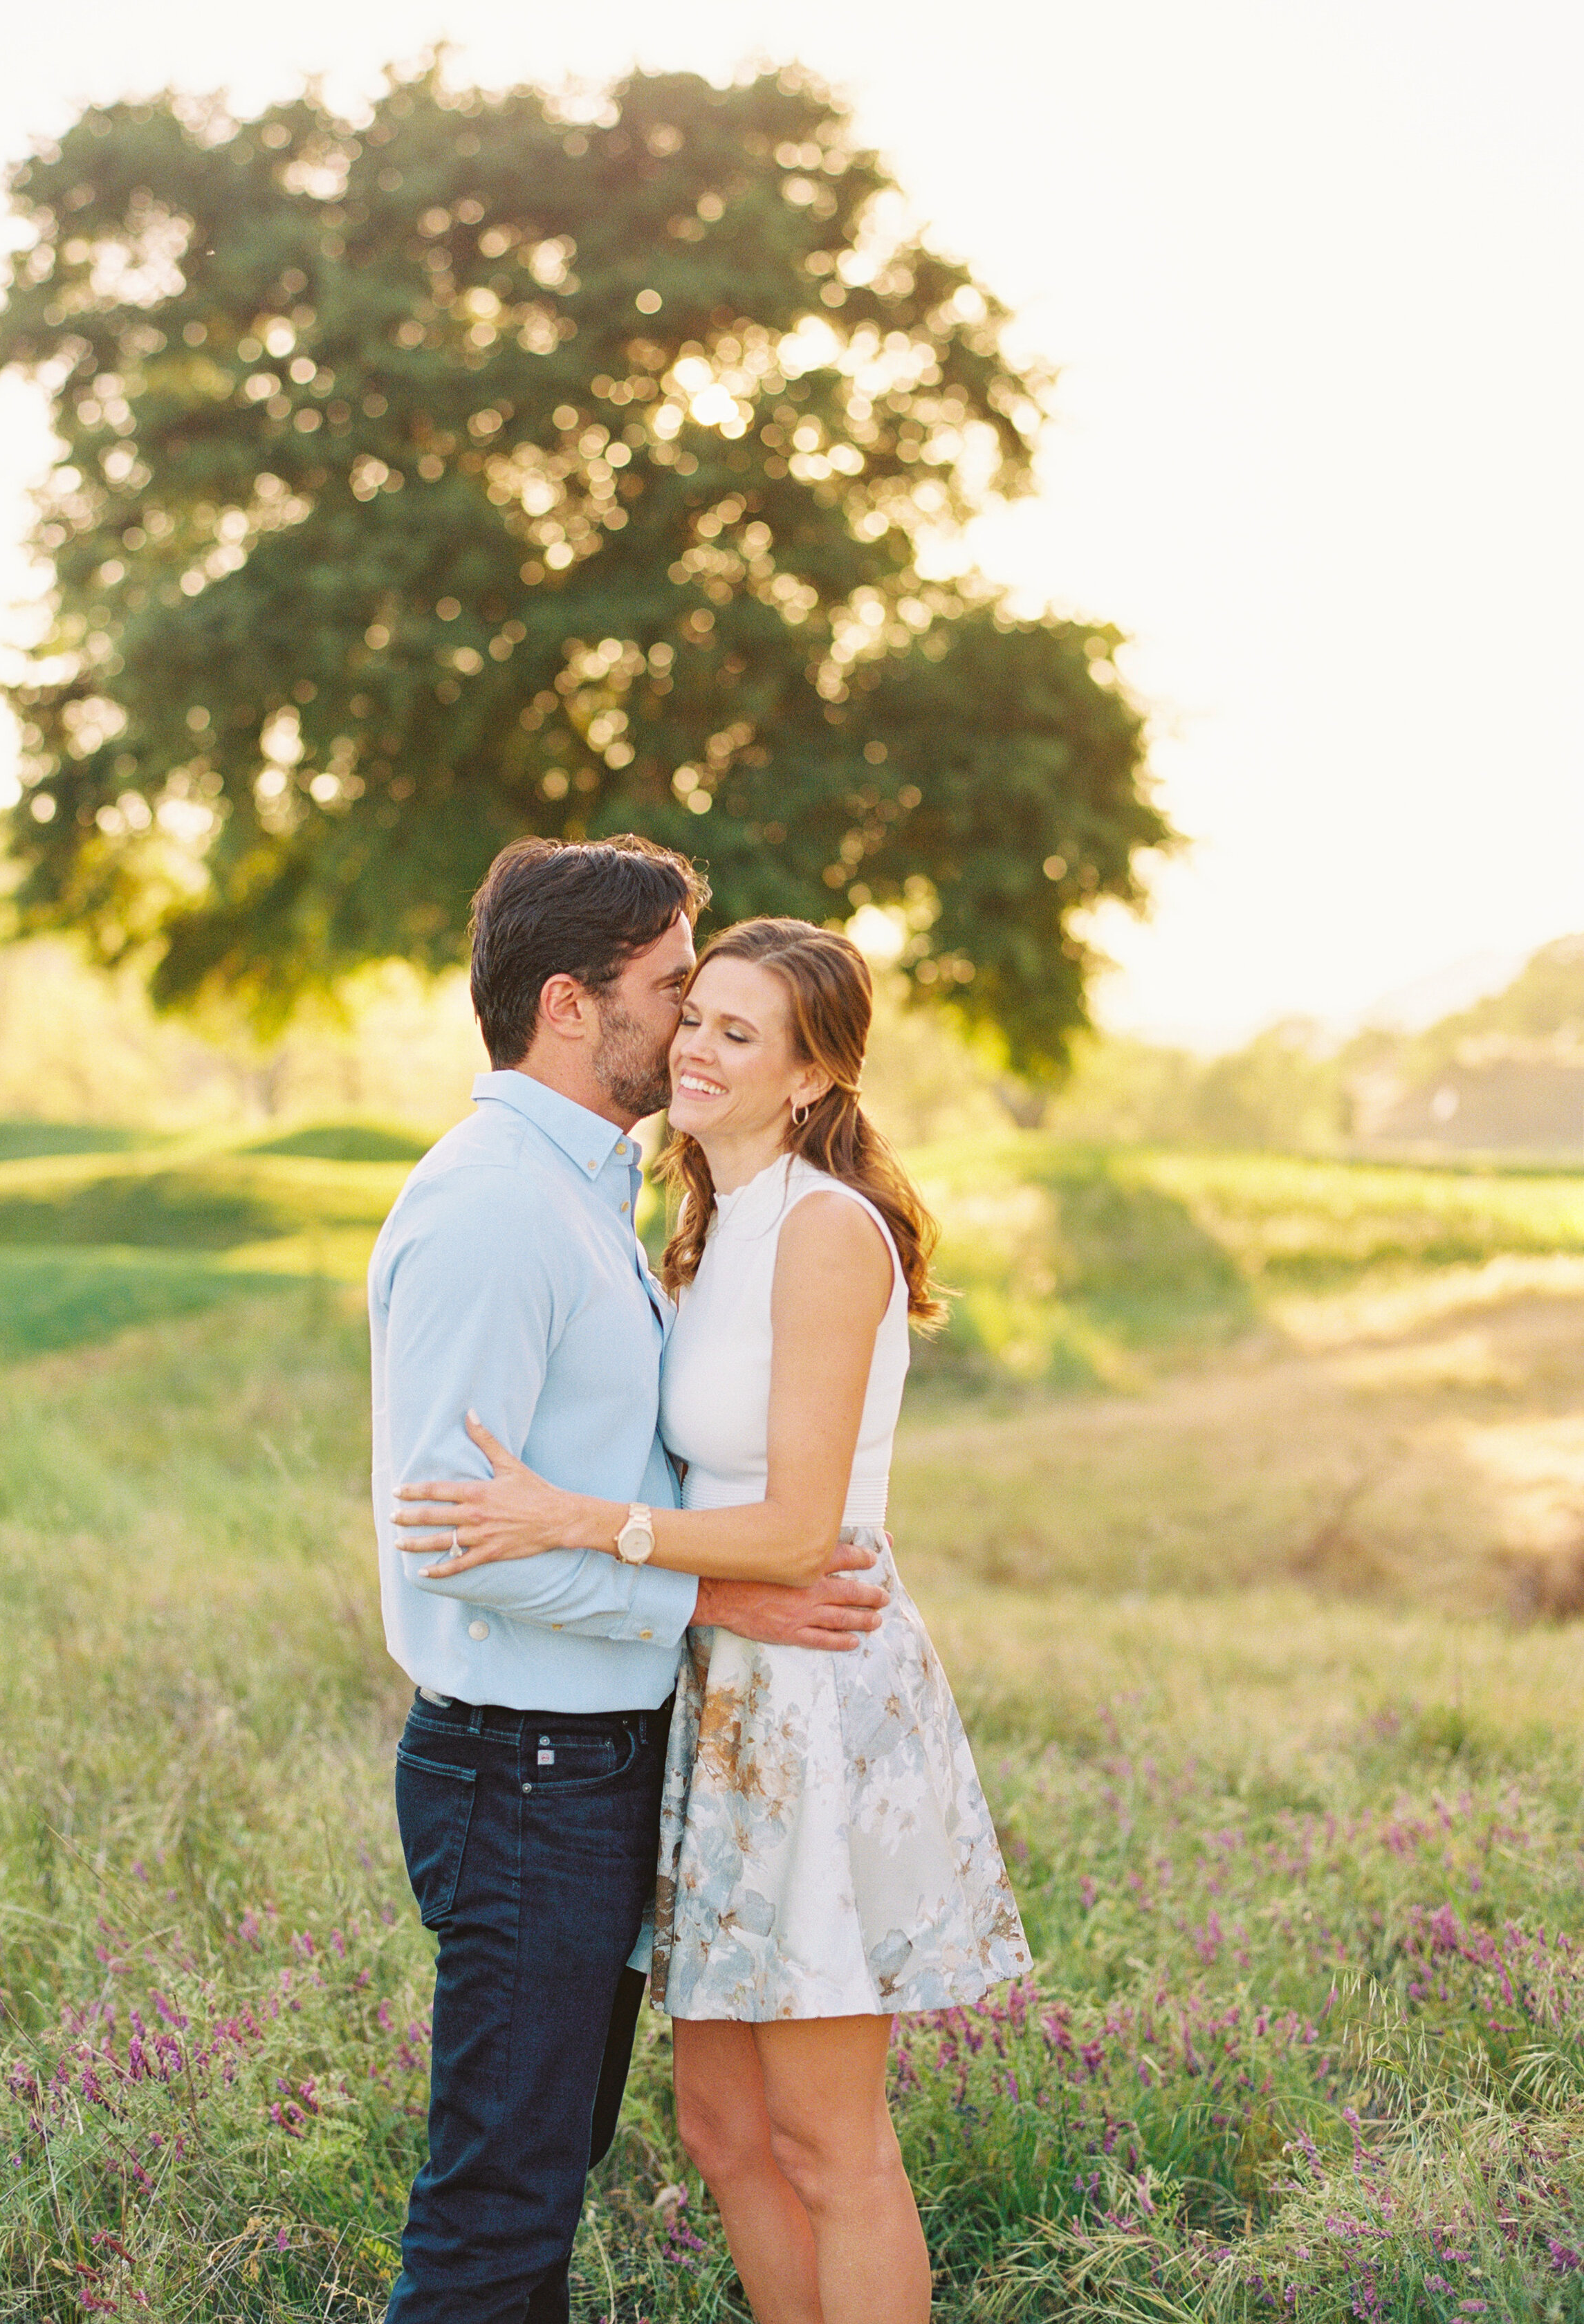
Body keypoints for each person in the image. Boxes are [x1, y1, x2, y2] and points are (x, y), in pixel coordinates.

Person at [398, 916, 1032, 2324]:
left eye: (737, 1033)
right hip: (714, 1686)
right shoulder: (697, 1232)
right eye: (694, 1016)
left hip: (808, 1682)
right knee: (722, 2134)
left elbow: (802, 1531)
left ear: (811, 1079)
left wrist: (577, 1519)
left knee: (824, 2137)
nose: (694, 1046)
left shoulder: (825, 1231)